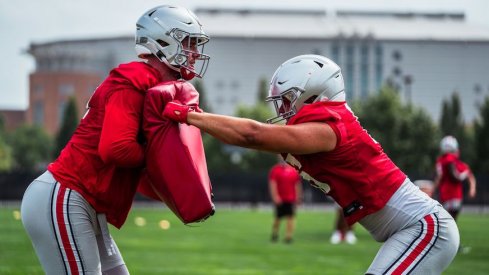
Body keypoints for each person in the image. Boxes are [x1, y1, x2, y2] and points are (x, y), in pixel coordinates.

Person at [164, 54, 460, 274]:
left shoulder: (329, 126)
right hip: (406, 228)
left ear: (314, 93)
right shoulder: (323, 125)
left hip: (423, 226)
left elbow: (252, 135)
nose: (281, 108)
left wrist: (189, 115)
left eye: (287, 99)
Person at [20, 5, 210, 274]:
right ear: (163, 41)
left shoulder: (155, 87)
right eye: (188, 42)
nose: (195, 53)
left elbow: (139, 174)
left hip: (83, 202)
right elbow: (116, 149)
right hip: (66, 194)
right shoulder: (133, 80)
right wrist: (158, 155)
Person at [434, 136, 477, 254]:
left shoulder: (442, 160)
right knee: (450, 222)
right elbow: (463, 174)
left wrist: (433, 190)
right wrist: (472, 187)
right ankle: (451, 246)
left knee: (447, 222)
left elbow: (440, 177)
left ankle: (449, 245)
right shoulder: (451, 160)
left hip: (446, 195)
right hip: (453, 195)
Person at [268, 159, 302, 243]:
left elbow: (297, 185)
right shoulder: (275, 170)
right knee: (278, 218)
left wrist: (298, 197)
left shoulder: (293, 170)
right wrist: (275, 196)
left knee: (291, 217)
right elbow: (273, 184)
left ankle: (288, 237)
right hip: (280, 199)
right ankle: (275, 234)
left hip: (290, 199)